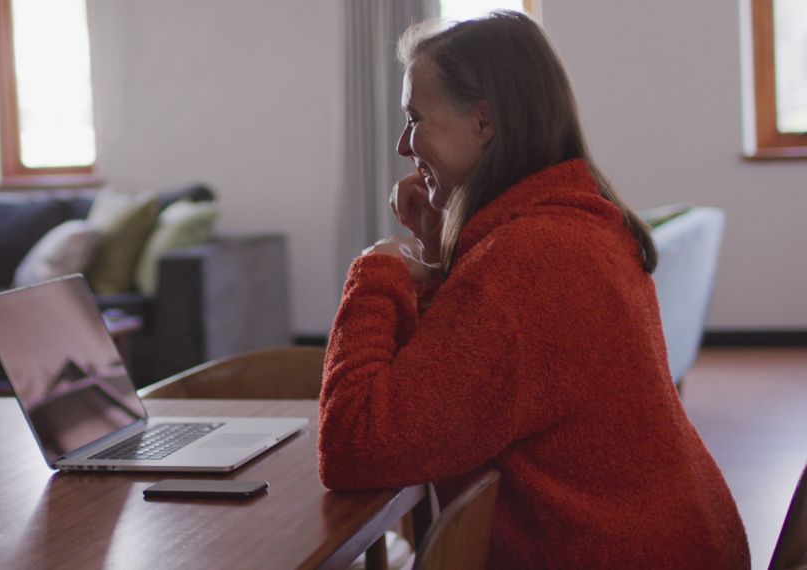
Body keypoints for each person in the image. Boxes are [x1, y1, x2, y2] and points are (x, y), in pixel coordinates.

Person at [317, 11, 749, 569]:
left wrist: (377, 271)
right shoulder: (576, 226)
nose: (404, 145)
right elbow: (459, 384)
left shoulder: (522, 263)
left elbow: (356, 444)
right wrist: (437, 247)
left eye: (415, 118)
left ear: (484, 123)